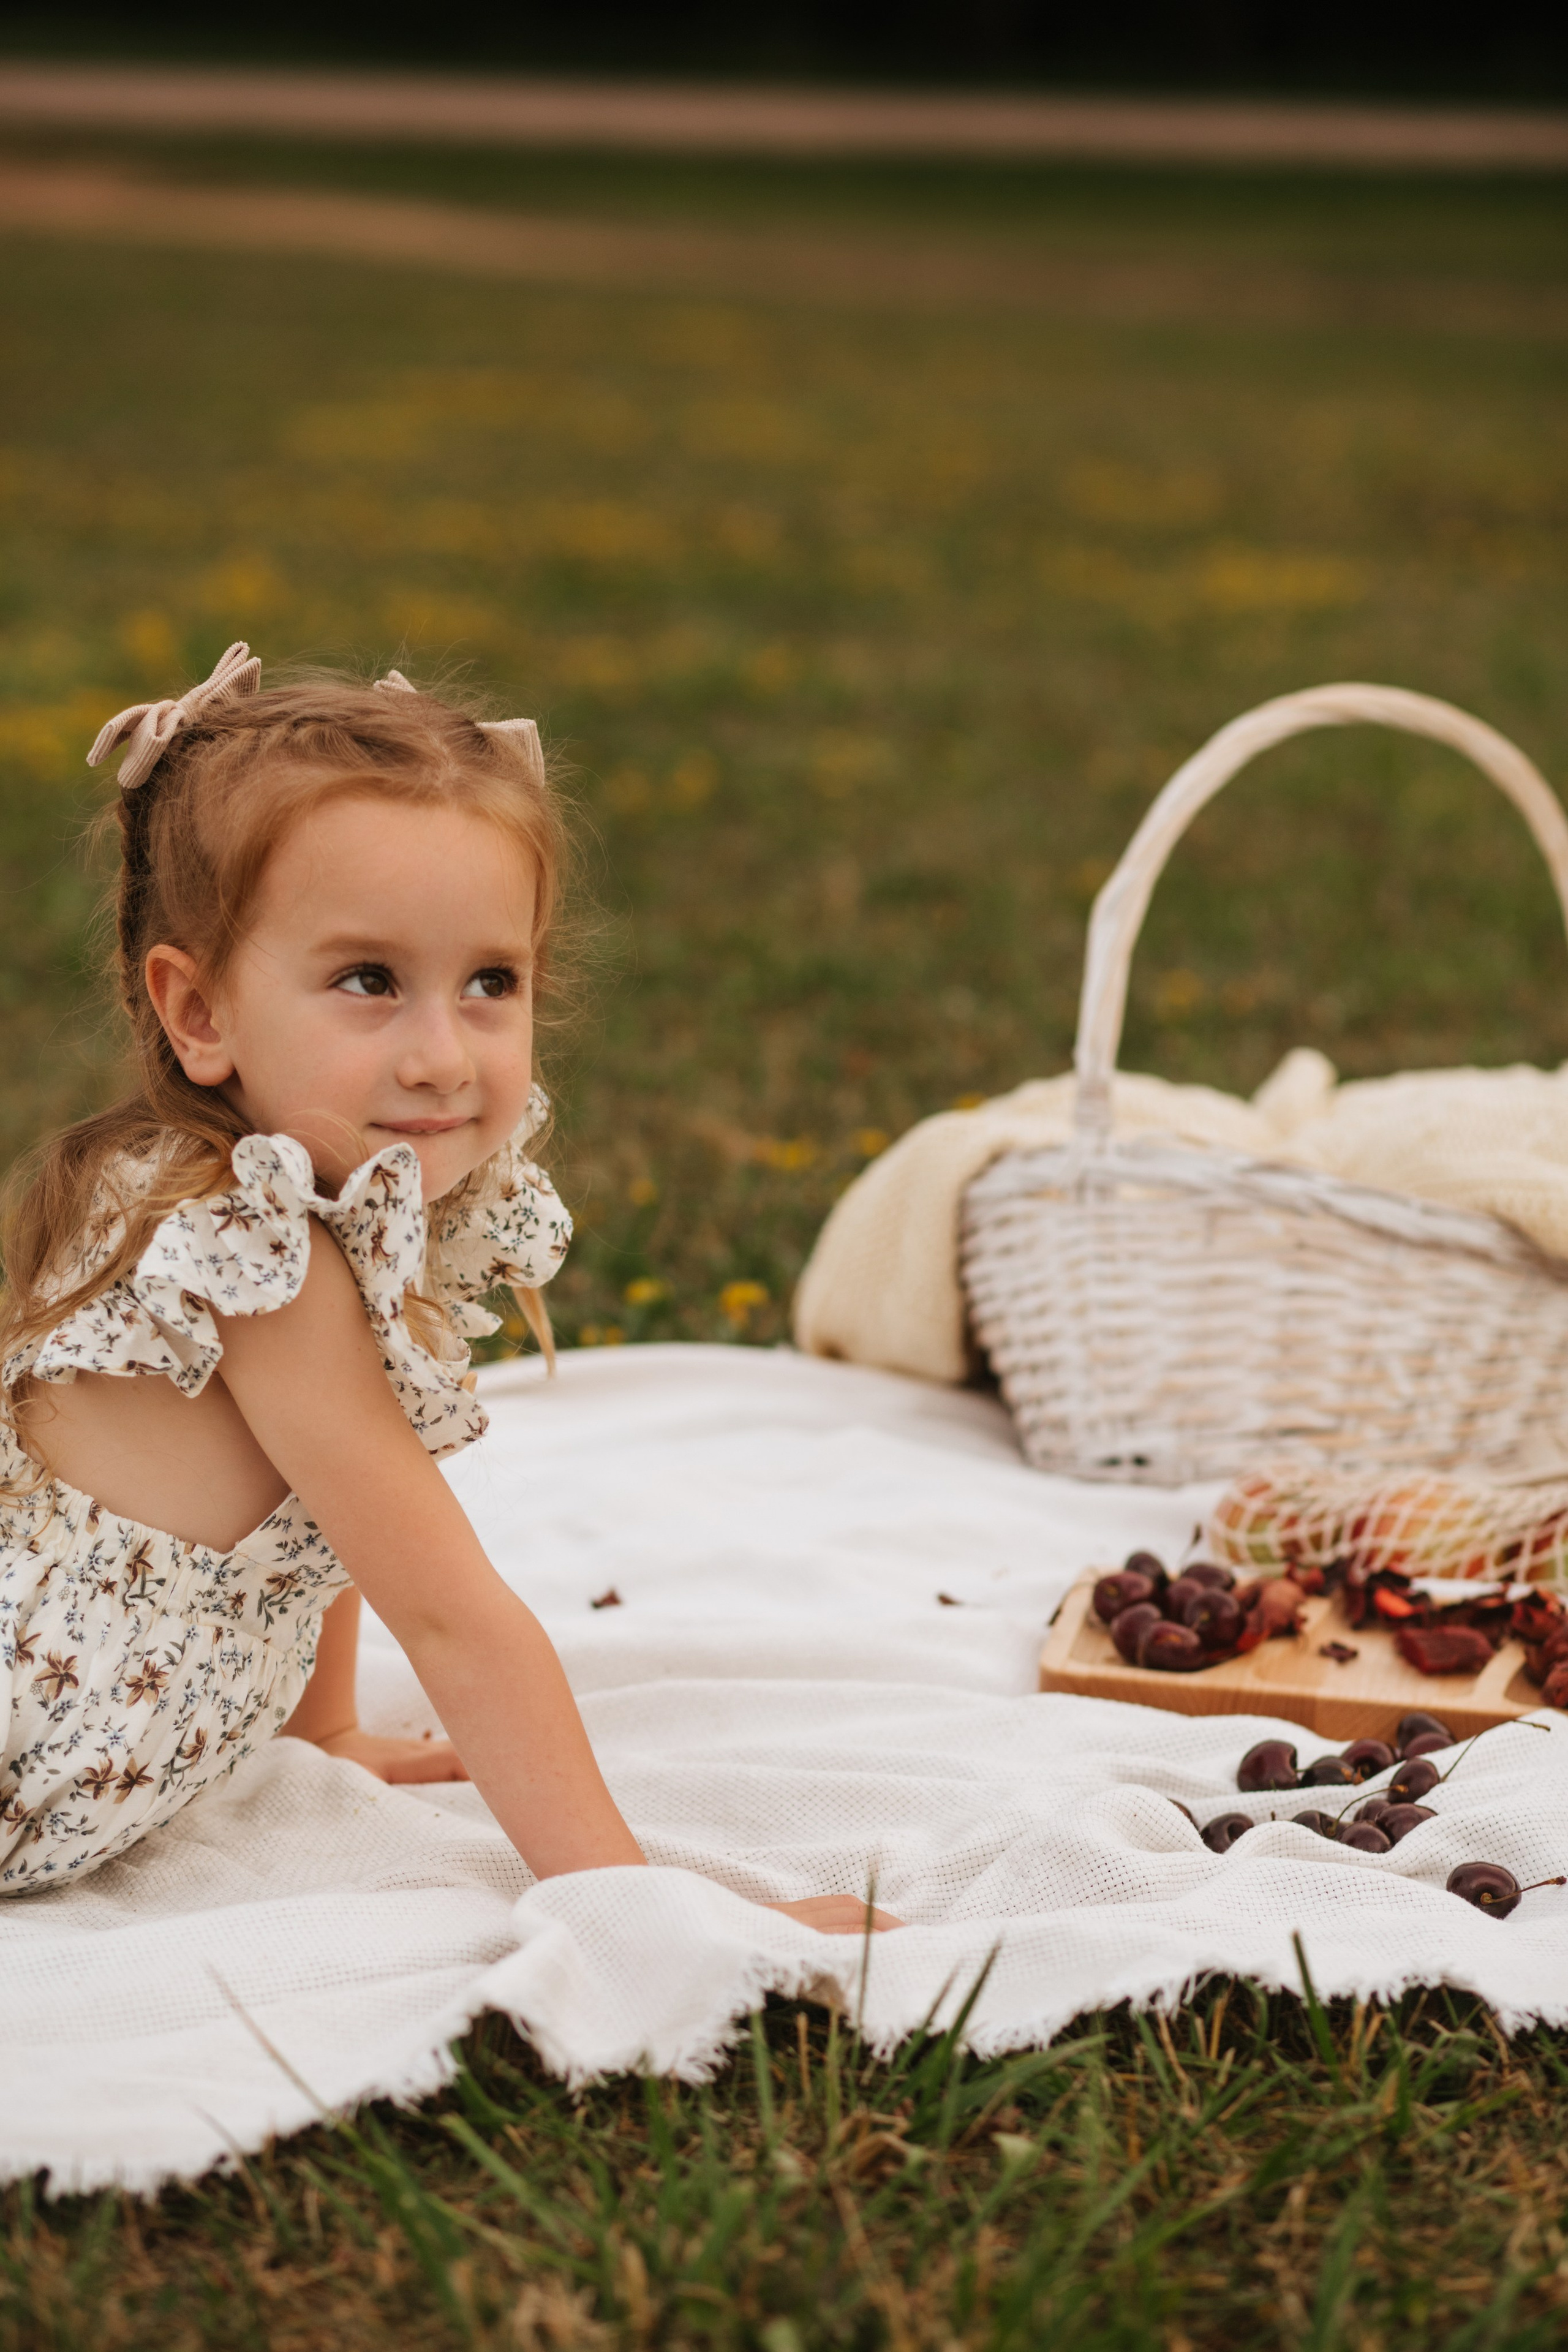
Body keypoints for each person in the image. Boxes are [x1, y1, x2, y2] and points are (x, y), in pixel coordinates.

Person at [0, 643, 897, 1932]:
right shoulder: (258, 1255)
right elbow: (453, 1613)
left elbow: (325, 1514)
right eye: (368, 981)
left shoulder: (319, 1197)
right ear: (198, 1013)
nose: (440, 1055)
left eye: (490, 983)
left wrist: (330, 1735)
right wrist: (628, 1906)